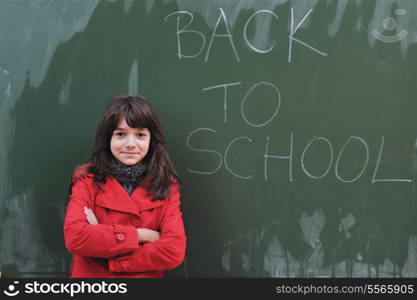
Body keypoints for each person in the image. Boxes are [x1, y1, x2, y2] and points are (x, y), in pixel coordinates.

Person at [63, 94, 186, 278]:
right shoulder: (87, 180)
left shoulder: (166, 184)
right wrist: (141, 235)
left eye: (140, 135)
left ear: (151, 140)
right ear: (108, 139)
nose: (130, 144)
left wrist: (113, 257)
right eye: (120, 134)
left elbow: (173, 251)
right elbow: (76, 238)